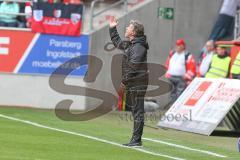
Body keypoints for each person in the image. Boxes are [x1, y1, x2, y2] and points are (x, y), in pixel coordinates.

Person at [109, 17, 149, 147]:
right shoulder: (132, 44)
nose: (126, 28)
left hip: (137, 83)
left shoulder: (138, 47)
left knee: (137, 111)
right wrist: (112, 28)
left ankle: (136, 140)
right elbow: (117, 43)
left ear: (134, 32)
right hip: (134, 82)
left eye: (129, 27)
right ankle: (136, 139)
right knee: (136, 111)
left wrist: (124, 82)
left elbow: (134, 66)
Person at [165, 39, 196, 104]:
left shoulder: (187, 55)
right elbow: (168, 63)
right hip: (171, 77)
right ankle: (172, 106)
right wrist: (167, 72)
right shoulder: (172, 53)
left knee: (180, 93)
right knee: (172, 93)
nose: (177, 47)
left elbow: (192, 67)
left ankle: (178, 106)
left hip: (181, 78)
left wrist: (187, 76)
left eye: (179, 45)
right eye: (177, 45)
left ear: (183, 46)